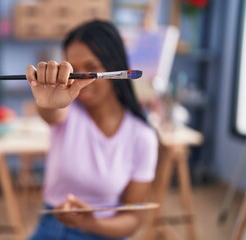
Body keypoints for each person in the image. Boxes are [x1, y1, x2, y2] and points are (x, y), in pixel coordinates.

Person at [26, 20, 158, 240]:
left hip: (102, 233)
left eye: (92, 68)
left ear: (115, 66)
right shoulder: (68, 110)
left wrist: (91, 223)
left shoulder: (142, 137)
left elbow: (133, 220)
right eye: (73, 71)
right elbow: (52, 113)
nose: (81, 81)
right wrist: (49, 102)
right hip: (50, 228)